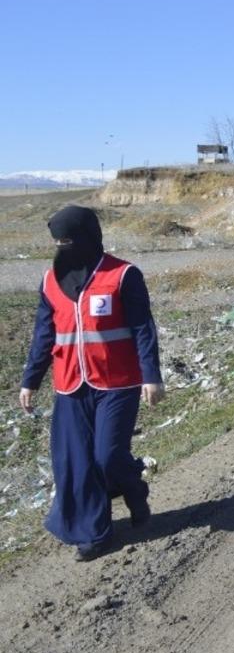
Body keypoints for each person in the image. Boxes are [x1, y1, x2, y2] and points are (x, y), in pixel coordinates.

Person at [18, 205, 165, 561]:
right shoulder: (50, 281)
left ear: (89, 236)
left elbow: (143, 328)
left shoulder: (122, 274)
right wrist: (30, 380)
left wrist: (151, 376)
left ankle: (133, 488)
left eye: (69, 240)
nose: (63, 248)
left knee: (107, 455)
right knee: (77, 461)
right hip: (70, 384)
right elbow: (44, 333)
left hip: (118, 382)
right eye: (58, 242)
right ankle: (95, 533)